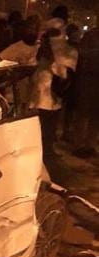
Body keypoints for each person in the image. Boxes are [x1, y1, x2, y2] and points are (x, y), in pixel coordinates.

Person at [29, 29, 72, 162]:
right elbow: (62, 74)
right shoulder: (55, 58)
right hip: (49, 97)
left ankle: (43, 150)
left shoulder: (38, 53)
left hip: (39, 96)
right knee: (48, 126)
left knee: (42, 126)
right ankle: (47, 151)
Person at [72, 9, 99, 158]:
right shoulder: (90, 35)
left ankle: (90, 145)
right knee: (84, 113)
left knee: (95, 115)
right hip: (88, 79)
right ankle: (79, 145)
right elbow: (81, 54)